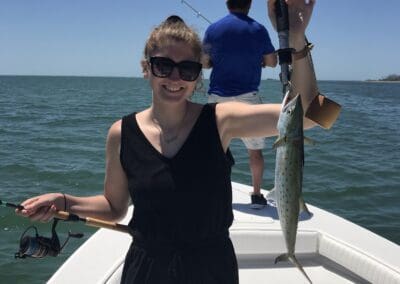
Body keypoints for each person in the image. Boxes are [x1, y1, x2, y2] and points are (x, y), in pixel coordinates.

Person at [17, 1, 318, 283]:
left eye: (187, 69)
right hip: (146, 269)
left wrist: (297, 38)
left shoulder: (221, 120)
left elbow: (316, 114)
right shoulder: (121, 133)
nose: (175, 77)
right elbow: (114, 207)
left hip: (211, 268)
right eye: (163, 65)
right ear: (145, 68)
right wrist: (63, 201)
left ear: (198, 76)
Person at [202, 0, 278, 209]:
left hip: (217, 99)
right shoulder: (258, 29)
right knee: (255, 152)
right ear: (250, 4)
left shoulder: (213, 29)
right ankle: (256, 195)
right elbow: (272, 62)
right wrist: (259, 60)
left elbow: (204, 62)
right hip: (248, 98)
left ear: (228, 3)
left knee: (214, 150)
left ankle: (212, 194)